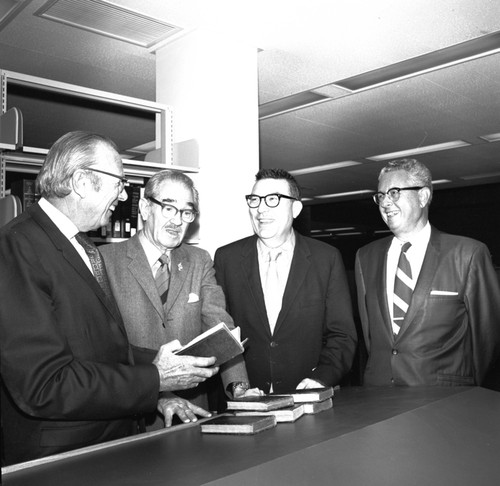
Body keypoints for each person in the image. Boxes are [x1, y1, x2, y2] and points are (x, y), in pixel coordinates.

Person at [0, 131, 219, 466]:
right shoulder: (16, 247)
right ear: (83, 182)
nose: (124, 192)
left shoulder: (82, 247)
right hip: (64, 460)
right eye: (119, 180)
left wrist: (157, 366)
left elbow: (98, 348)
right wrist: (155, 378)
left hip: (105, 446)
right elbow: (44, 385)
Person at [101, 170, 257, 428]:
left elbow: (222, 332)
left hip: (193, 412)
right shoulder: (104, 261)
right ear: (144, 207)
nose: (177, 221)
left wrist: (239, 388)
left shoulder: (199, 260)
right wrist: (159, 393)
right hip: (134, 414)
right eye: (168, 208)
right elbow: (103, 349)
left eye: (186, 212)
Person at [355, 158, 500, 386]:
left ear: (423, 196)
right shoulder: (366, 257)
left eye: (394, 192)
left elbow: (487, 338)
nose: (385, 203)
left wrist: (476, 394)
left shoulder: (467, 254)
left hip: (444, 399)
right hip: (379, 397)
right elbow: (371, 336)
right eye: (381, 196)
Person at [214, 168, 357, 394]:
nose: (261, 208)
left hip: (307, 396)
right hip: (247, 398)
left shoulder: (325, 258)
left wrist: (321, 378)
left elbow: (342, 335)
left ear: (296, 208)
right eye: (255, 200)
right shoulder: (226, 258)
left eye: (273, 199)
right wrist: (237, 386)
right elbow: (221, 333)